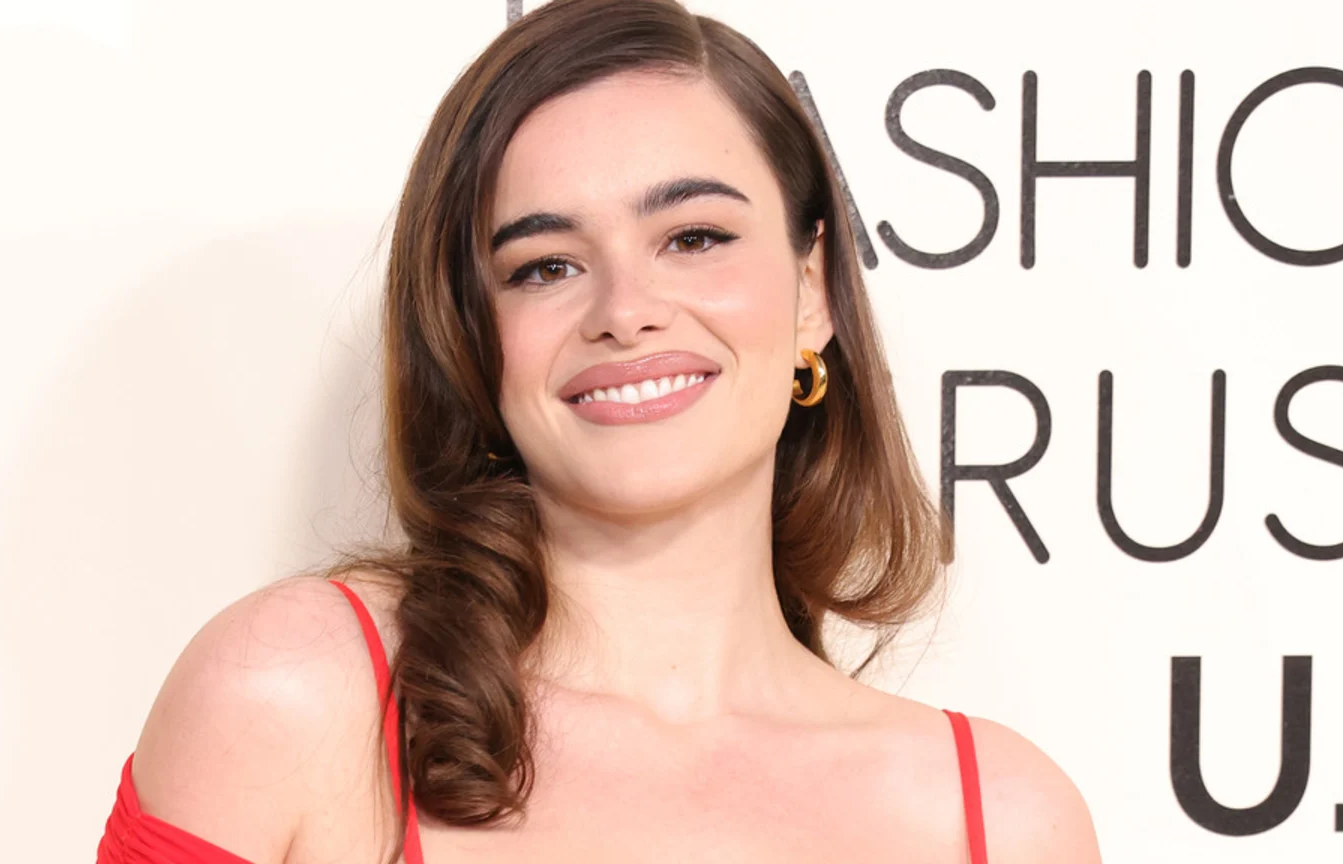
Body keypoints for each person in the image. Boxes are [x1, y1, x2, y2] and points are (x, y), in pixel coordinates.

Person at [97, 0, 1101, 861]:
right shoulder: (296, 694)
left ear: (810, 291)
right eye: (545, 265)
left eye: (694, 237)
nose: (626, 307)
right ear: (475, 336)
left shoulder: (1001, 822)